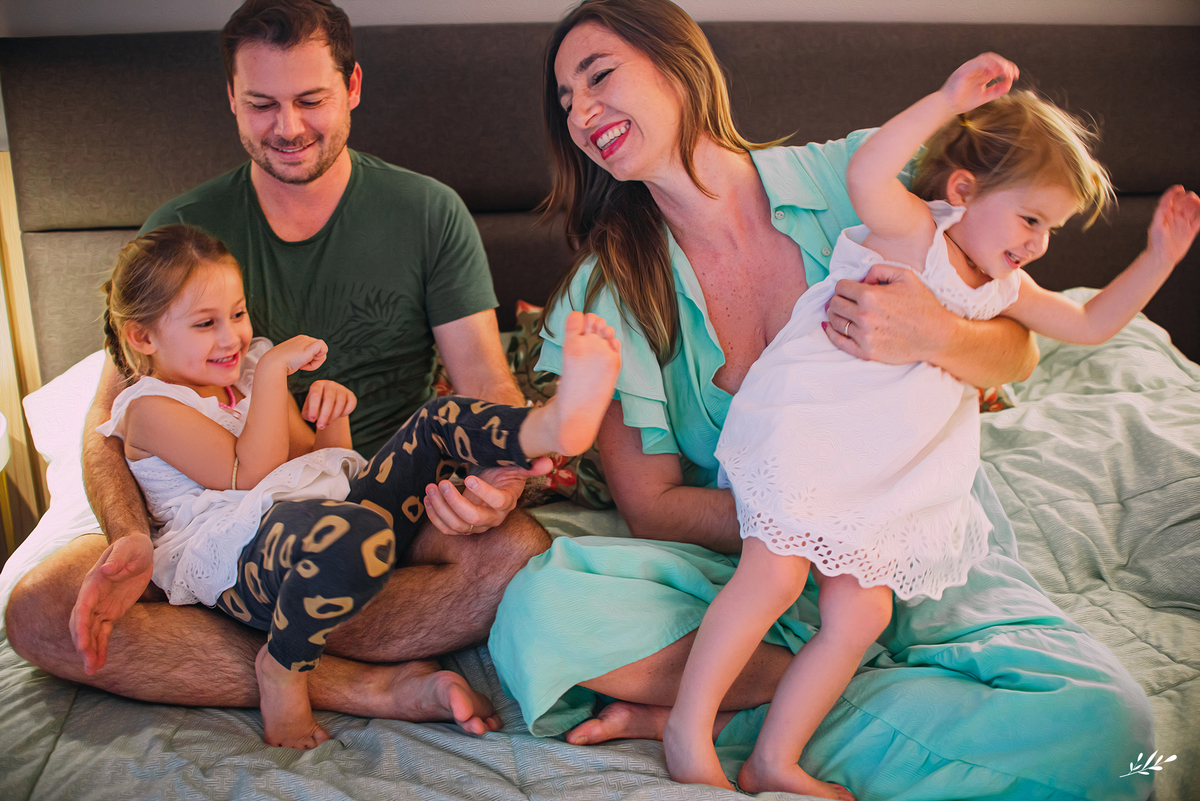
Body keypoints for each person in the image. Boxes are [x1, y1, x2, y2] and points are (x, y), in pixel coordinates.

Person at [486, 1, 1157, 798]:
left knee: (1117, 732)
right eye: (566, 101)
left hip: (907, 535)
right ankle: (797, 704)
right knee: (538, 610)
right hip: (749, 559)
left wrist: (933, 334)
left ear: (679, 64)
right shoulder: (608, 291)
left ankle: (745, 709)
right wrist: (802, 519)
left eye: (599, 77)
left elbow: (1016, 345)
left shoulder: (858, 175)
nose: (581, 113)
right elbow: (652, 508)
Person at [664, 53, 1200, 798]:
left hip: (884, 471)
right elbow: (869, 170)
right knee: (774, 576)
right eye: (1030, 218)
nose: (1039, 243)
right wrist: (947, 100)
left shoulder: (1007, 287)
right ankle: (687, 730)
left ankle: (773, 760)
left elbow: (1088, 324)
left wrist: (1159, 258)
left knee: (861, 615)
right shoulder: (915, 232)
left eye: (1052, 229)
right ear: (963, 190)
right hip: (812, 432)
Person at [6, 0, 551, 731]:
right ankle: (356, 684)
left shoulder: (429, 213)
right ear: (232, 98)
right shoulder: (182, 235)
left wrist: (500, 484)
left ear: (352, 86)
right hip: (210, 517)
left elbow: (484, 383)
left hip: (372, 492)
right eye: (261, 103)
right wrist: (129, 538)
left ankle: (272, 631)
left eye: (310, 100)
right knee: (41, 609)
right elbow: (106, 425)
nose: (288, 127)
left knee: (517, 550)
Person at [95, 224, 622, 749]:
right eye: (205, 323)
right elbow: (247, 475)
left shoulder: (247, 375)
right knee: (349, 534)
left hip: (317, 520)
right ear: (143, 337)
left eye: (237, 314)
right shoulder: (149, 408)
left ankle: (547, 427)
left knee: (434, 421)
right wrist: (275, 372)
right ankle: (282, 667)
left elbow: (308, 461)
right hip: (238, 558)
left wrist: (332, 416)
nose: (232, 336)